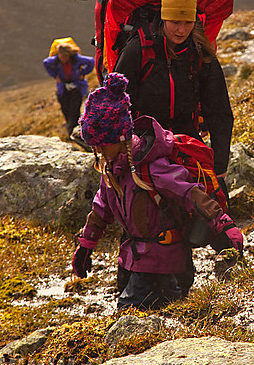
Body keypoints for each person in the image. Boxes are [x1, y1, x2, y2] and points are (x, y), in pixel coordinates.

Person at [71, 73, 244, 310]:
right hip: (134, 259)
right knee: (134, 310)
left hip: (165, 263)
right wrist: (86, 245)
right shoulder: (112, 168)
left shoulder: (152, 166)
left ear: (121, 137)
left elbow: (190, 194)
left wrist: (223, 224)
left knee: (131, 314)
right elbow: (102, 208)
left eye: (103, 143)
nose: (98, 149)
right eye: (94, 145)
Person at [113, 0, 235, 295]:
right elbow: (116, 99)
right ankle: (129, 280)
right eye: (174, 21)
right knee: (141, 215)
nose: (180, 29)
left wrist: (219, 165)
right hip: (141, 146)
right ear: (163, 19)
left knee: (190, 208)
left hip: (184, 144)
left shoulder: (200, 55)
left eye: (186, 22)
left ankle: (189, 280)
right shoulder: (139, 49)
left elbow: (219, 111)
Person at [42, 38, 95, 137]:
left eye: (64, 56)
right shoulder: (55, 61)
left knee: (74, 110)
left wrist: (83, 73)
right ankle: (72, 131)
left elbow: (91, 61)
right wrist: (55, 75)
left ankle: (74, 132)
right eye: (61, 56)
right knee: (65, 109)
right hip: (63, 88)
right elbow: (46, 63)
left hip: (77, 87)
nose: (62, 58)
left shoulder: (76, 59)